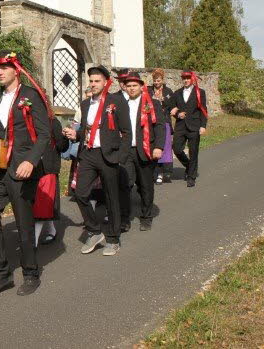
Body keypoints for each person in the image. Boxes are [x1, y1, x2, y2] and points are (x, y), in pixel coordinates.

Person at [0, 51, 52, 297]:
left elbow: (44, 135)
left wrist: (31, 161)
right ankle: (2, 274)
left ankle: (31, 273)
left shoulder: (31, 96)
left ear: (16, 70)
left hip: (22, 167)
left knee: (23, 222)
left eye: (4, 68)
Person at [63, 65, 131, 256]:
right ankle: (94, 230)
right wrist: (74, 134)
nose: (93, 84)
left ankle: (113, 238)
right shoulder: (85, 104)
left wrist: (121, 157)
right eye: (91, 81)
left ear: (105, 82)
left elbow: (126, 132)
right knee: (80, 193)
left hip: (109, 155)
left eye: (97, 81)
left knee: (111, 197)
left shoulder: (115, 101)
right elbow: (85, 130)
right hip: (89, 154)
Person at [119, 72, 165, 231]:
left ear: (141, 86)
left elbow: (160, 125)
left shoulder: (152, 103)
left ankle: (146, 216)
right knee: (125, 185)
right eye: (128, 86)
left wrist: (159, 146)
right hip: (126, 151)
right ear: (125, 87)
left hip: (146, 150)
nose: (131, 89)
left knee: (146, 186)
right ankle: (124, 219)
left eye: (134, 86)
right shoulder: (121, 104)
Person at [34, 116, 69, 245]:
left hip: (47, 168)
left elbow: (61, 146)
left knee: (42, 204)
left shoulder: (53, 122)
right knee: (37, 204)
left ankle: (34, 242)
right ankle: (51, 229)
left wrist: (64, 137)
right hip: (30, 168)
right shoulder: (27, 120)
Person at [171, 71, 208, 188]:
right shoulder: (177, 93)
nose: (185, 80)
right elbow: (172, 109)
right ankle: (188, 166)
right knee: (176, 149)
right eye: (184, 78)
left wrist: (203, 126)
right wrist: (177, 114)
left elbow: (203, 110)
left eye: (187, 78)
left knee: (193, 152)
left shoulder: (200, 92)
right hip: (181, 126)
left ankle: (191, 177)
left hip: (194, 126)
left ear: (192, 79)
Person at [148, 69, 175, 184]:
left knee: (165, 147)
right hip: (152, 122)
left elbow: (173, 105)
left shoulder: (168, 92)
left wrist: (173, 109)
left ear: (162, 80)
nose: (156, 82)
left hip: (165, 121)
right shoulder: (149, 91)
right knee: (154, 146)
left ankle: (165, 171)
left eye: (158, 80)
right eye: (154, 80)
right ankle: (156, 172)